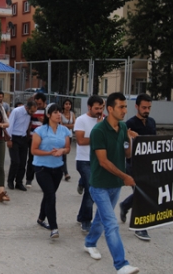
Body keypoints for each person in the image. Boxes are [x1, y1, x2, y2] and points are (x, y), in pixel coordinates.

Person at [83, 92, 139, 274]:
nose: (125, 110)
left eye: (125, 107)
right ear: (110, 109)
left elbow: (127, 154)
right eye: (121, 107)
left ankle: (90, 243)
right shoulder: (98, 131)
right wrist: (125, 177)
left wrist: (130, 140)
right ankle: (121, 265)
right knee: (111, 223)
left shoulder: (123, 128)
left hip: (115, 185)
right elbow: (103, 161)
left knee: (101, 218)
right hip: (99, 185)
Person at [118, 93, 156, 241]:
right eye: (144, 107)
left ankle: (125, 205)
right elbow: (123, 145)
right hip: (133, 164)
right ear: (137, 107)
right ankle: (140, 227)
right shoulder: (129, 124)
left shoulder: (152, 122)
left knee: (145, 193)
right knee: (142, 195)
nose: (146, 110)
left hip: (149, 164)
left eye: (149, 107)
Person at [31, 104, 71, 239]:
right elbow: (34, 150)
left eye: (59, 112)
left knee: (49, 194)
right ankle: (54, 228)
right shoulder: (40, 131)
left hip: (57, 168)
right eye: (55, 112)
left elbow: (68, 148)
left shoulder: (64, 130)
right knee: (51, 196)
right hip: (42, 168)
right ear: (48, 115)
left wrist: (62, 151)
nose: (59, 114)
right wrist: (49, 153)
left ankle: (41, 218)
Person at [74, 95, 105, 232]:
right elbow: (81, 141)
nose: (99, 111)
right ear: (89, 107)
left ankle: (81, 216)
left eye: (101, 108)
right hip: (84, 160)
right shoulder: (81, 120)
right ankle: (86, 220)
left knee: (91, 189)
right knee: (92, 190)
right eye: (96, 108)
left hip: (98, 160)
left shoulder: (105, 121)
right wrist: (97, 130)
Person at [6, 101, 37, 190]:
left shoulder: (29, 114)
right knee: (15, 161)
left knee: (23, 162)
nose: (32, 114)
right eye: (32, 111)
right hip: (14, 138)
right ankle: (10, 181)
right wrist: (9, 139)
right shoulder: (16, 111)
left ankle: (19, 182)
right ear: (27, 108)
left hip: (23, 138)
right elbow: (10, 125)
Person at [26, 92, 47, 188]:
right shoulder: (33, 111)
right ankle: (28, 179)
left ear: (44, 102)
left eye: (40, 104)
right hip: (32, 138)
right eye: (36, 103)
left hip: (44, 139)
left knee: (43, 160)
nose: (38, 106)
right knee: (31, 159)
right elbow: (28, 123)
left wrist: (45, 121)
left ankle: (43, 181)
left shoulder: (47, 112)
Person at [61, 98, 76, 181]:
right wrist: (69, 125)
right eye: (66, 104)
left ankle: (61, 170)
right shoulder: (60, 114)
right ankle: (66, 173)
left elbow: (74, 125)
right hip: (61, 136)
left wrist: (66, 125)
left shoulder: (72, 114)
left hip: (69, 136)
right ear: (63, 105)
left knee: (65, 153)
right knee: (63, 155)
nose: (68, 105)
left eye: (69, 104)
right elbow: (60, 125)